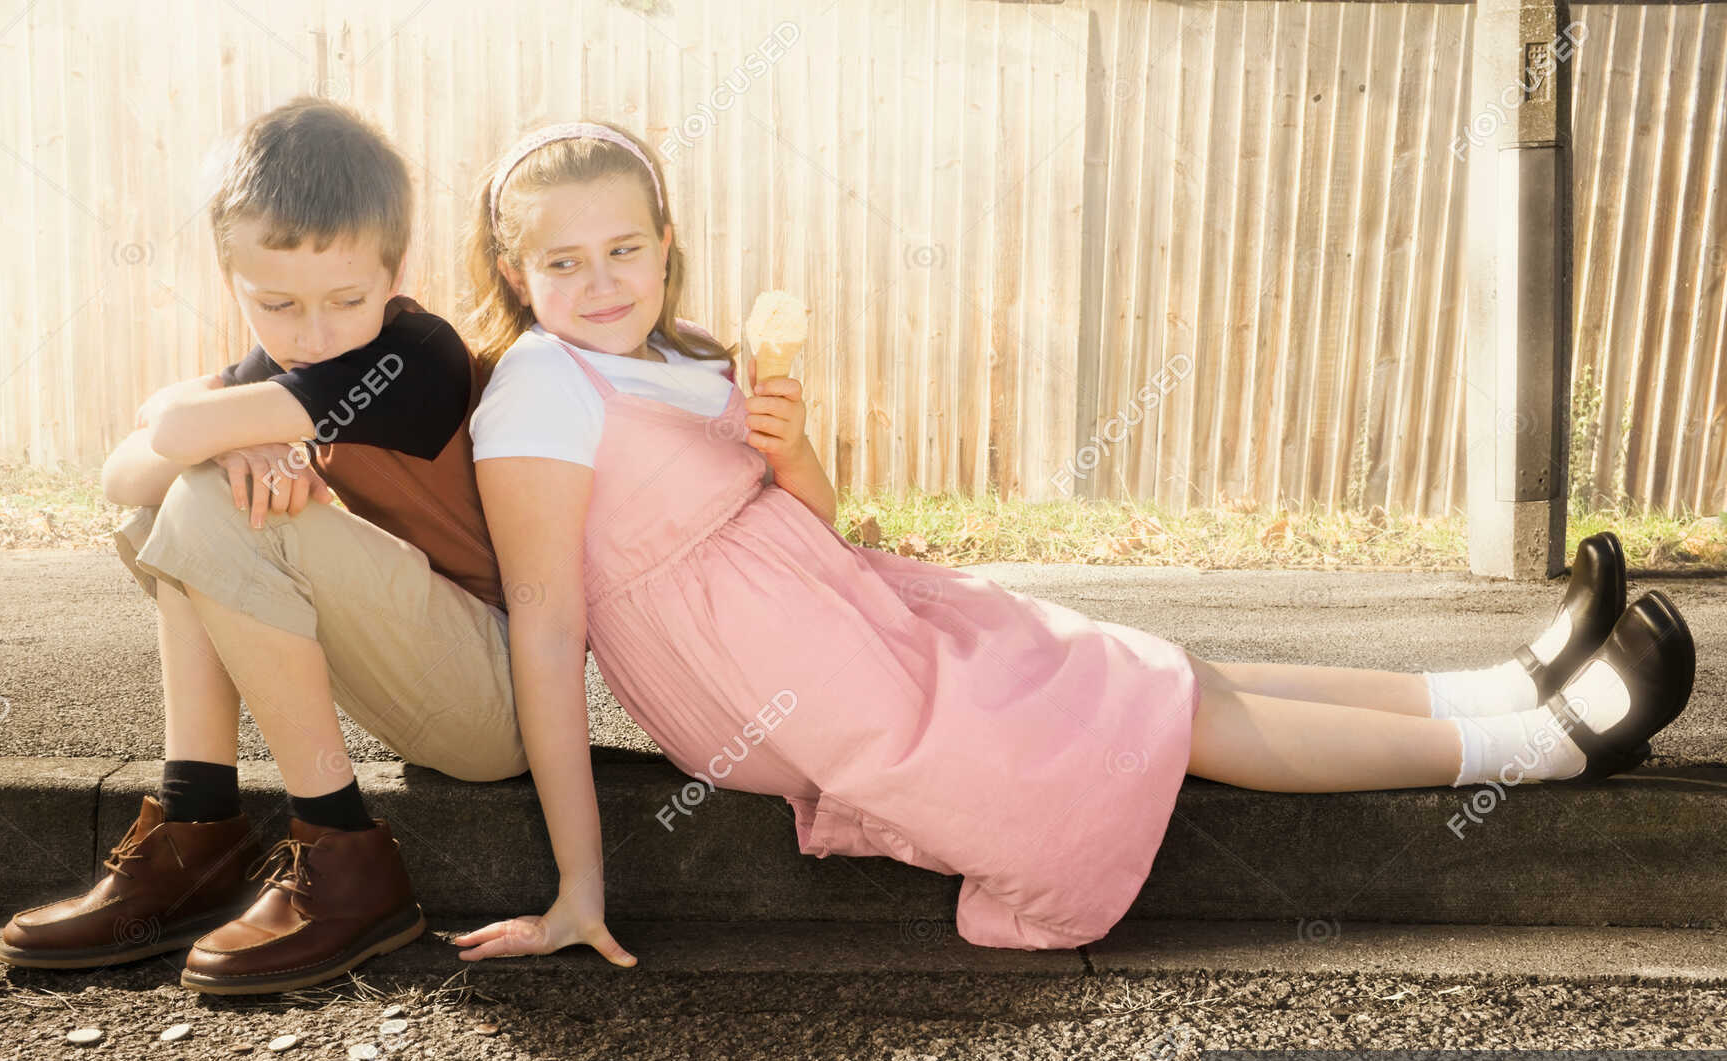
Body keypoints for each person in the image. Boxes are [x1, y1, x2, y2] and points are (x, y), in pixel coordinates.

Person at [449, 118, 1698, 962]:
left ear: (666, 244)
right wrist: (580, 887)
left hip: (851, 612)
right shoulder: (544, 388)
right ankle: (1539, 745)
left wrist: (790, 444)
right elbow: (553, 629)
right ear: (515, 273)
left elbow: (806, 518)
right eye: (564, 263)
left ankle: (1496, 683)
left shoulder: (678, 356)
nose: (602, 280)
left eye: (626, 250)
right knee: (1166, 710)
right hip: (793, 693)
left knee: (1162, 672)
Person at [0, 96, 536, 995]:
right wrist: (224, 430)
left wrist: (205, 424)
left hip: (499, 691)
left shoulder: (416, 354)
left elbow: (170, 425)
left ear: (393, 272)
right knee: (171, 503)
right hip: (411, 682)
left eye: (346, 299)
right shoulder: (277, 373)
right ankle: (195, 833)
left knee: (208, 491)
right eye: (276, 303)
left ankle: (346, 855)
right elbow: (123, 481)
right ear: (231, 279)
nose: (315, 334)